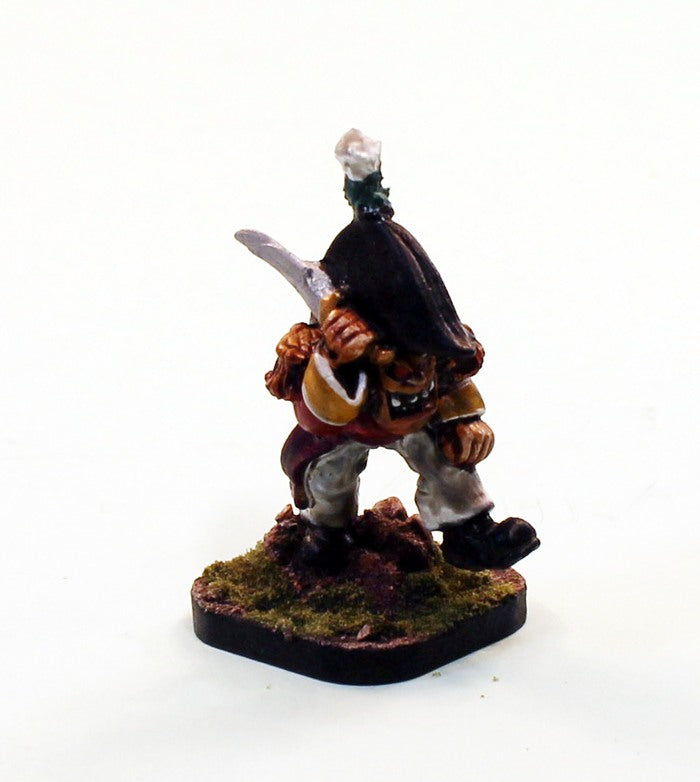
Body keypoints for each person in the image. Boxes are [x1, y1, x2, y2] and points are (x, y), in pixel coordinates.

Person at [264, 129, 540, 570]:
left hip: (415, 420)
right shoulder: (325, 348)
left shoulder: (430, 351)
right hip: (346, 426)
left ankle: (468, 533)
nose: (410, 365)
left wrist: (464, 421)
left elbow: (452, 379)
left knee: (448, 462)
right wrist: (335, 357)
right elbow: (318, 413)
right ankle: (326, 536)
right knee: (327, 476)